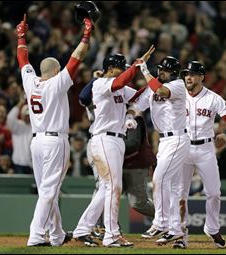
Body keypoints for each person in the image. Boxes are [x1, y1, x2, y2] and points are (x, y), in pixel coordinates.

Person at [16, 13, 93, 246]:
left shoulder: (31, 82)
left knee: (46, 191)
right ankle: (36, 236)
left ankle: (57, 234)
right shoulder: (57, 83)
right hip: (54, 142)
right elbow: (76, 58)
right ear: (55, 70)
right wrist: (86, 34)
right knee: (49, 191)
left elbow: (23, 59)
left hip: (36, 142)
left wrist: (21, 36)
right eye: (59, 69)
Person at [72, 46, 155, 247]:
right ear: (110, 68)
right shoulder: (100, 83)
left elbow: (140, 97)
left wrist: (152, 83)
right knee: (114, 187)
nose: (124, 70)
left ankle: (82, 229)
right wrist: (136, 66)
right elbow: (121, 81)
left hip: (117, 140)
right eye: (121, 67)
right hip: (103, 139)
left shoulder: (120, 87)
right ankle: (111, 235)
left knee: (105, 189)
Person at [177, 61, 226, 249]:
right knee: (180, 194)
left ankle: (211, 228)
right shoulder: (178, 95)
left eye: (193, 74)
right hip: (183, 147)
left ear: (202, 77)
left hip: (205, 148)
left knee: (214, 192)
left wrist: (225, 135)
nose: (188, 77)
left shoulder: (213, 98)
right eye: (186, 74)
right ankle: (180, 233)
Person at [133, 56, 190, 246]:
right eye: (159, 69)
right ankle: (175, 230)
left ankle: (160, 223)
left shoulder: (178, 85)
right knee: (171, 188)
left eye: (164, 70)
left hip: (177, 138)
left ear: (173, 73)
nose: (161, 72)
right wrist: (129, 116)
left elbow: (162, 91)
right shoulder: (153, 85)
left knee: (159, 180)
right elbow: (137, 106)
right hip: (165, 140)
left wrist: (145, 71)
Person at [6, 95, 33, 174]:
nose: (27, 117)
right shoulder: (17, 126)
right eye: (26, 114)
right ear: (21, 114)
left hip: (31, 164)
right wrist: (20, 103)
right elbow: (10, 117)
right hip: (18, 163)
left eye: (29, 115)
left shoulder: (35, 126)